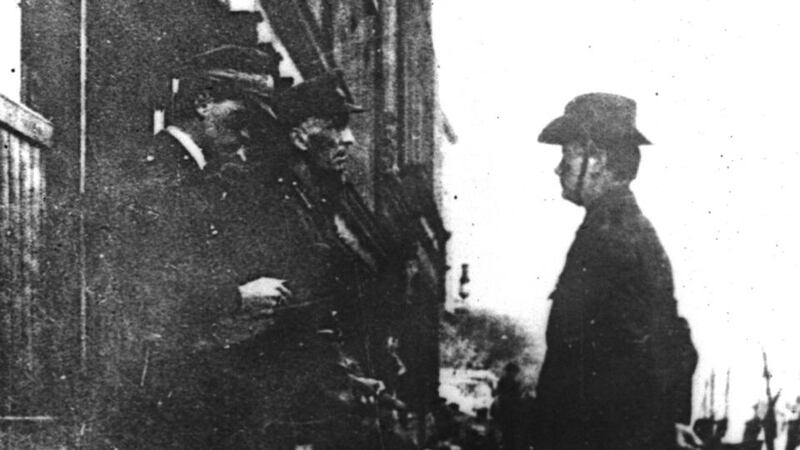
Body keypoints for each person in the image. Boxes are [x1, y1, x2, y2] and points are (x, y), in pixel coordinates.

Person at [532, 93, 697, 449]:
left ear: (599, 160)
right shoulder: (621, 227)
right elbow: (674, 343)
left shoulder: (610, 236)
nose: (560, 168)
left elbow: (629, 356)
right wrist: (668, 422)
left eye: (569, 153)